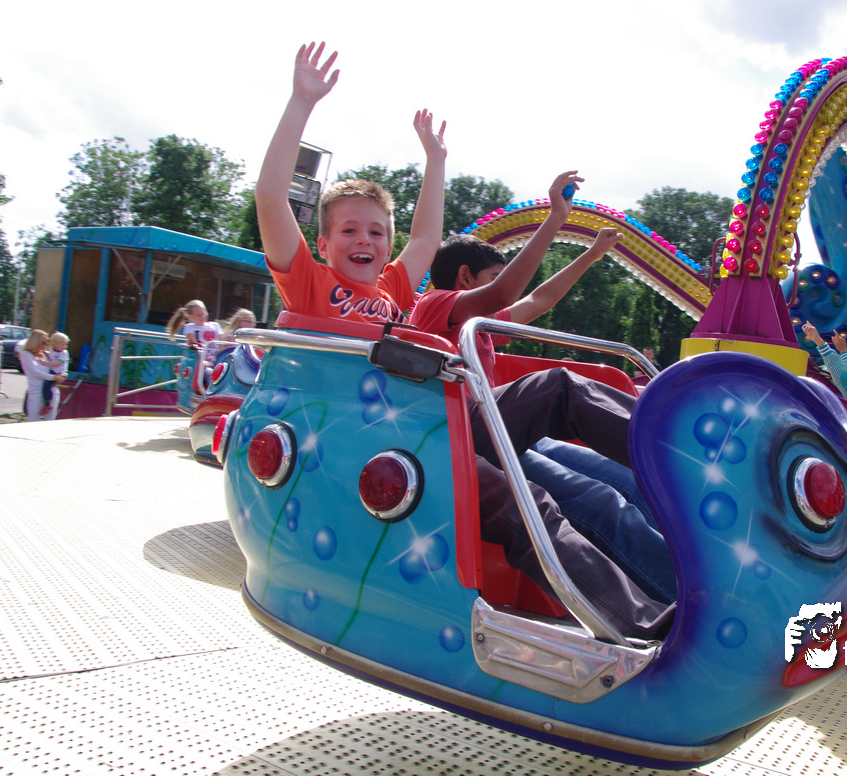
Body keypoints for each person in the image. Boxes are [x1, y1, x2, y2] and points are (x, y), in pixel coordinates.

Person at [256, 41, 669, 640]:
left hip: (441, 421)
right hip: (384, 437)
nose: (364, 239)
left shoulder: (395, 288)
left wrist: (435, 159)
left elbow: (425, 237)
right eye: (348, 230)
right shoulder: (310, 283)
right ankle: (641, 622)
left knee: (556, 386)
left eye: (376, 231)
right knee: (524, 502)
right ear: (323, 243)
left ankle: (679, 459)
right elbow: (271, 198)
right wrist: (301, 103)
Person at [410, 180, 674, 603]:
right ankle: (686, 594)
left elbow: (537, 300)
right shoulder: (434, 304)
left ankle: (698, 553)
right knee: (598, 501)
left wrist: (591, 254)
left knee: (620, 480)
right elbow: (506, 292)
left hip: (507, 433)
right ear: (464, 278)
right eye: (493, 277)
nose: (501, 292)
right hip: (464, 440)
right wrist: (555, 219)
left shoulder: (480, 323)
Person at [18, 329, 60, 421]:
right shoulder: (26, 354)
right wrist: (53, 377)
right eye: (43, 342)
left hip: (51, 390)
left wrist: (62, 375)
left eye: (47, 341)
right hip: (36, 391)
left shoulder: (47, 354)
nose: (46, 344)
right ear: (35, 342)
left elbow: (59, 365)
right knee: (33, 420)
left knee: (50, 420)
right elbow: (34, 372)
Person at [38, 331, 71, 416]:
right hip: (53, 371)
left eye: (65, 344)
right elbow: (49, 355)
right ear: (54, 344)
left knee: (46, 386)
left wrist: (45, 364)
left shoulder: (64, 353)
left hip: (59, 372)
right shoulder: (53, 351)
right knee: (46, 386)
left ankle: (47, 403)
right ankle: (46, 402)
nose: (64, 347)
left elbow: (57, 364)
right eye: (62, 344)